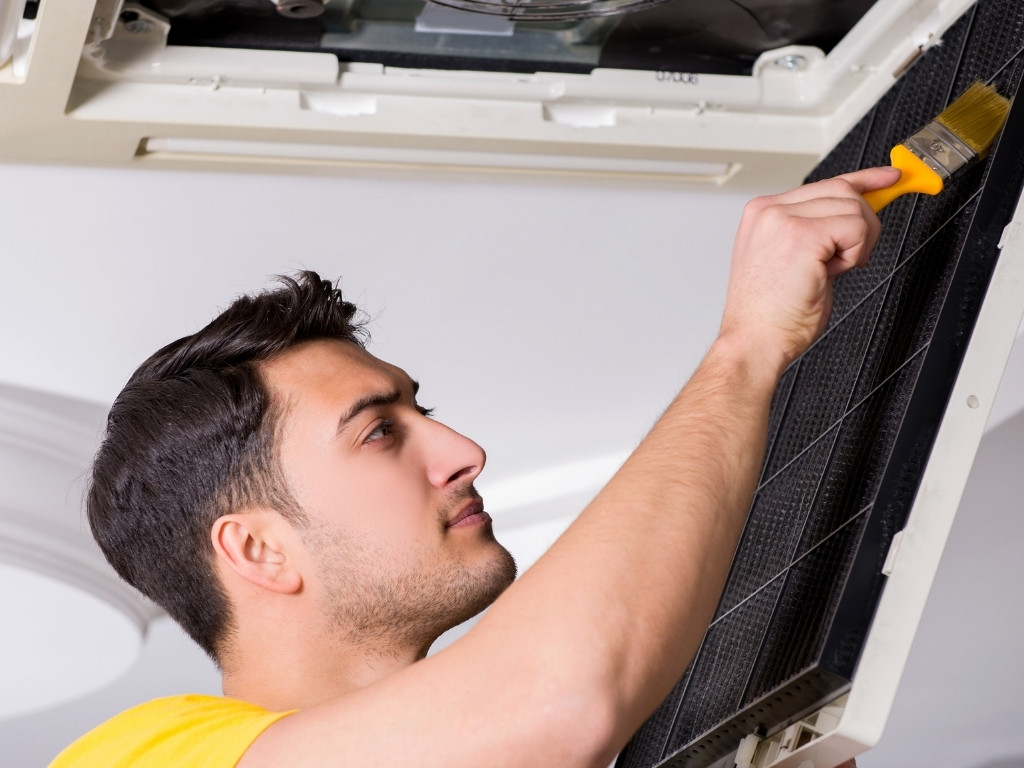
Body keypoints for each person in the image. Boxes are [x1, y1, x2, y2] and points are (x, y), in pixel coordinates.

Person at [50, 166, 899, 768]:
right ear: (259, 550)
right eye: (380, 433)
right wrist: (747, 347)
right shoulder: (140, 757)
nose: (464, 451)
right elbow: (555, 702)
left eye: (423, 411)